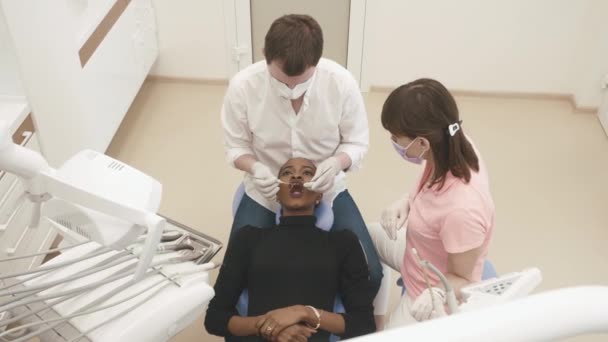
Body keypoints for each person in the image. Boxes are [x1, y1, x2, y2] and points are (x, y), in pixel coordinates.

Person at [221, 14, 382, 293]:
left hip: (327, 189)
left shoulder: (340, 83)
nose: (292, 89)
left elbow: (356, 142)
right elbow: (236, 147)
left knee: (370, 273)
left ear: (317, 61)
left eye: (301, 81)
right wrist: (256, 168)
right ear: (264, 56)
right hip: (265, 191)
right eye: (283, 81)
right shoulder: (243, 87)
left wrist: (335, 163)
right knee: (236, 278)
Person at [205, 158, 376, 341]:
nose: (296, 175)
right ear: (277, 193)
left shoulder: (343, 243)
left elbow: (363, 324)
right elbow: (215, 318)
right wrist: (269, 326)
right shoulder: (248, 239)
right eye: (287, 172)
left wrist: (304, 312)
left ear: (319, 194)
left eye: (307, 173)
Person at [369, 78, 495, 327]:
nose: (394, 142)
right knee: (364, 235)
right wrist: (407, 201)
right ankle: (377, 315)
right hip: (418, 252)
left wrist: (436, 292)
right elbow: (431, 187)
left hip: (429, 291)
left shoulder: (462, 210)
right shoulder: (452, 141)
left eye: (396, 137)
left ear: (423, 143)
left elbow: (463, 277)